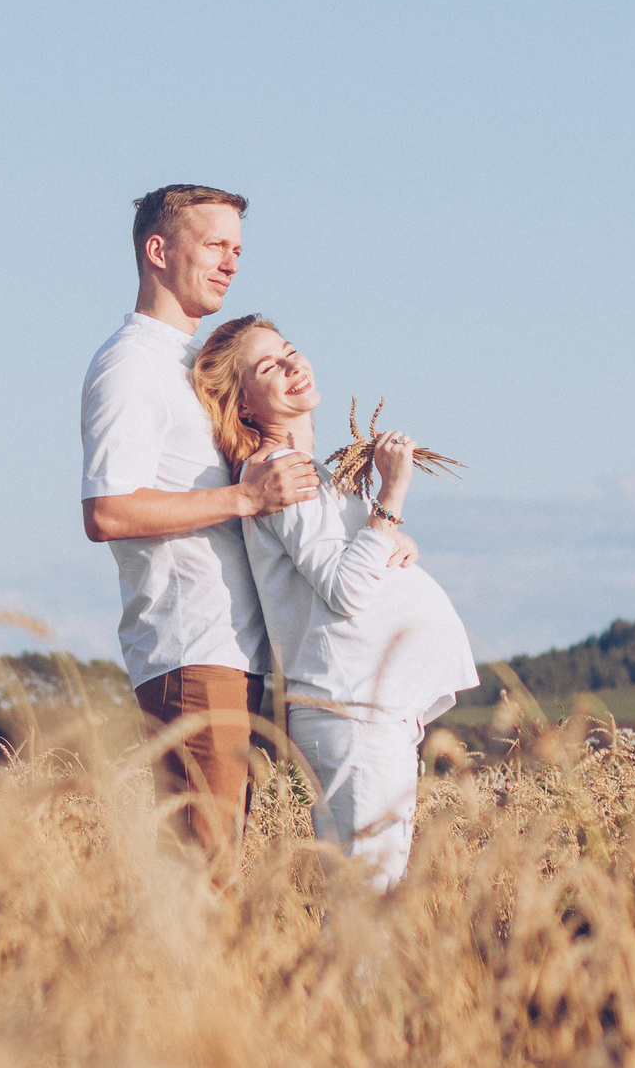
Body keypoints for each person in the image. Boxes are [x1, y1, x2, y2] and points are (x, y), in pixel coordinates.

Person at [190, 315, 478, 886]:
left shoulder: (309, 476)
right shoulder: (280, 472)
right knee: (367, 912)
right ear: (244, 405)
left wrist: (388, 534)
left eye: (291, 351)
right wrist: (392, 496)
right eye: (269, 365)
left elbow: (346, 571)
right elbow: (345, 591)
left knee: (367, 905)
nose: (294, 365)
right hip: (355, 712)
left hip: (368, 712)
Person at [80, 185, 318, 854]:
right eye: (214, 244)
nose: (231, 263)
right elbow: (107, 509)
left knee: (220, 878)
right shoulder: (130, 366)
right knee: (204, 885)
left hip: (238, 656)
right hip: (190, 651)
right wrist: (244, 500)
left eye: (237, 249)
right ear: (158, 250)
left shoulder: (195, 363)